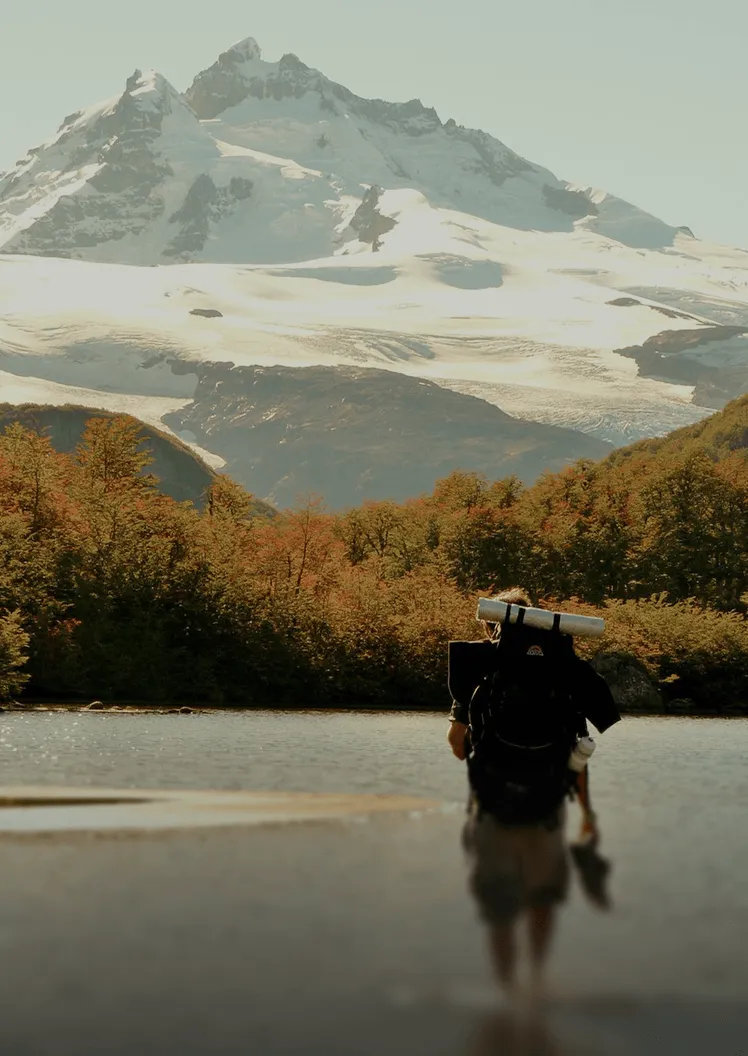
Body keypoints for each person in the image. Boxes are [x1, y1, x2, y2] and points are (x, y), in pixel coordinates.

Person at [447, 587, 619, 995]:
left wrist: (474, 731)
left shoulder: (483, 678)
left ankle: (506, 987)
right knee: (541, 896)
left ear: (495, 627)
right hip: (547, 804)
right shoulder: (562, 673)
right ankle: (538, 981)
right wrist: (588, 814)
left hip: (492, 805)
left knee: (499, 902)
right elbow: (580, 748)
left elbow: (458, 748)